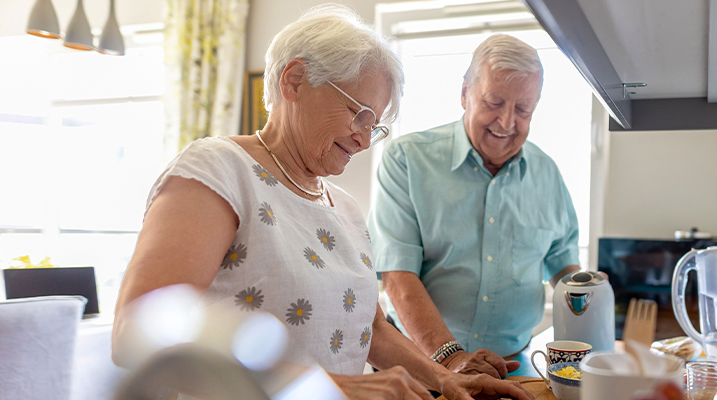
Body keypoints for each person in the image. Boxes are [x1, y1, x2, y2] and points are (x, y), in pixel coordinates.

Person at [111, 5, 531, 400]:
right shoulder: (219, 170)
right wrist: (331, 387)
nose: (365, 140)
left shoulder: (343, 207)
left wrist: (448, 378)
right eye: (360, 114)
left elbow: (370, 329)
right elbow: (138, 334)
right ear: (294, 80)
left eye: (376, 126)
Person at [370, 34, 582, 379]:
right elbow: (397, 276)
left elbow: (564, 269)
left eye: (523, 109)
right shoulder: (407, 160)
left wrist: (592, 292)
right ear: (465, 93)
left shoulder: (548, 174)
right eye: (494, 102)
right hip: (418, 367)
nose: (507, 122)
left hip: (514, 367)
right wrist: (450, 359)